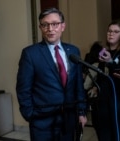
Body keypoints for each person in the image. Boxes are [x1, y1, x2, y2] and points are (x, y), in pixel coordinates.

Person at [16, 8, 87, 141]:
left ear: (63, 26)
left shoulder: (73, 51)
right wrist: (29, 114)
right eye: (45, 24)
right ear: (40, 27)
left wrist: (81, 111)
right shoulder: (30, 54)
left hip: (68, 118)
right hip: (42, 121)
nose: (50, 28)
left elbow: (78, 85)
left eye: (55, 24)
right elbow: (23, 88)